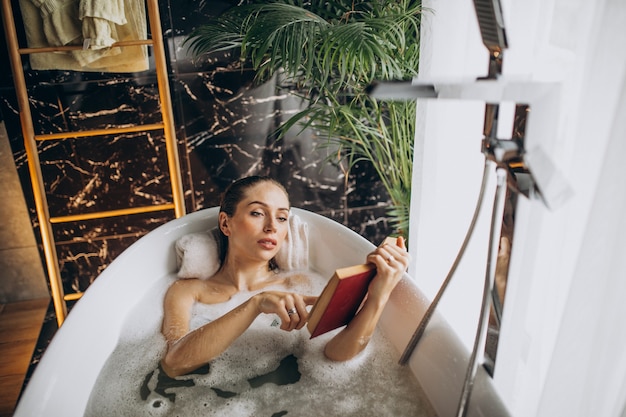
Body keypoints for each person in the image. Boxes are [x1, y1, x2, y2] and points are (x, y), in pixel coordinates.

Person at [160, 176, 409, 378]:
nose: (272, 226)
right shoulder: (187, 290)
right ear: (226, 224)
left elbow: (334, 355)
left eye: (281, 218)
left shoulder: (296, 285)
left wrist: (378, 295)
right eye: (258, 213)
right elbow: (175, 363)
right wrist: (256, 303)